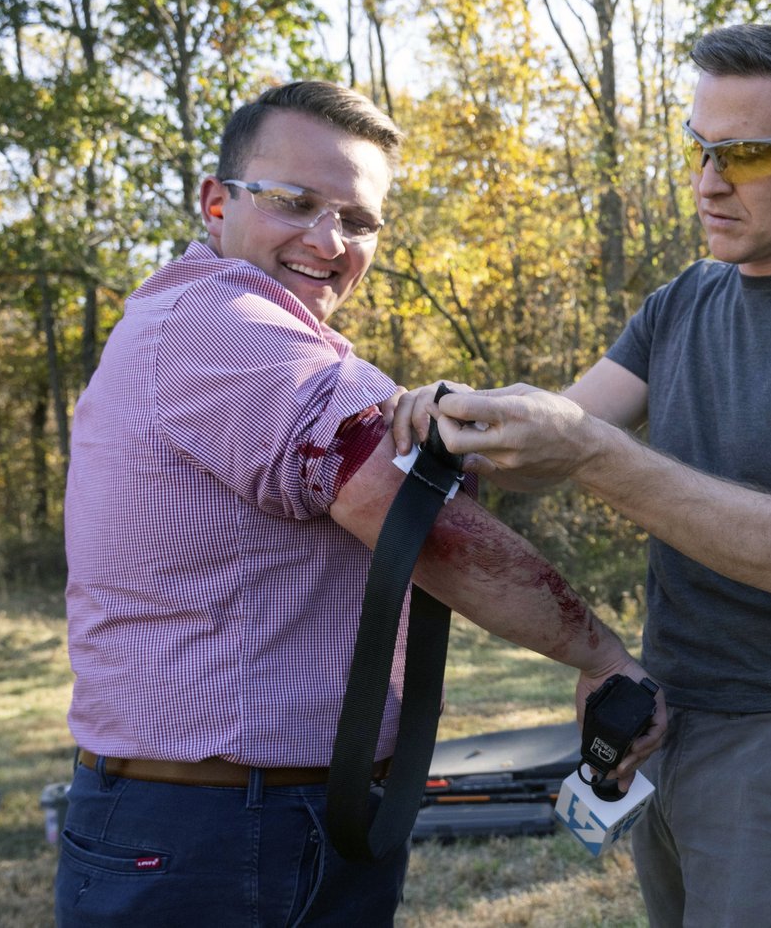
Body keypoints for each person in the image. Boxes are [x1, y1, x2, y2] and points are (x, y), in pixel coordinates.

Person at [56, 81, 665, 928]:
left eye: (358, 219)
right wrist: (601, 656)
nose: (328, 240)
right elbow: (417, 521)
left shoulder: (221, 326)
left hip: (256, 818)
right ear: (217, 202)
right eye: (295, 201)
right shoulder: (224, 322)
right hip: (221, 834)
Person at [393, 24, 771, 927]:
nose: (708, 182)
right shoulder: (682, 300)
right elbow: (543, 442)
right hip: (658, 721)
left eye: (747, 154)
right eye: (700, 147)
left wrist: (591, 450)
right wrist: (450, 417)